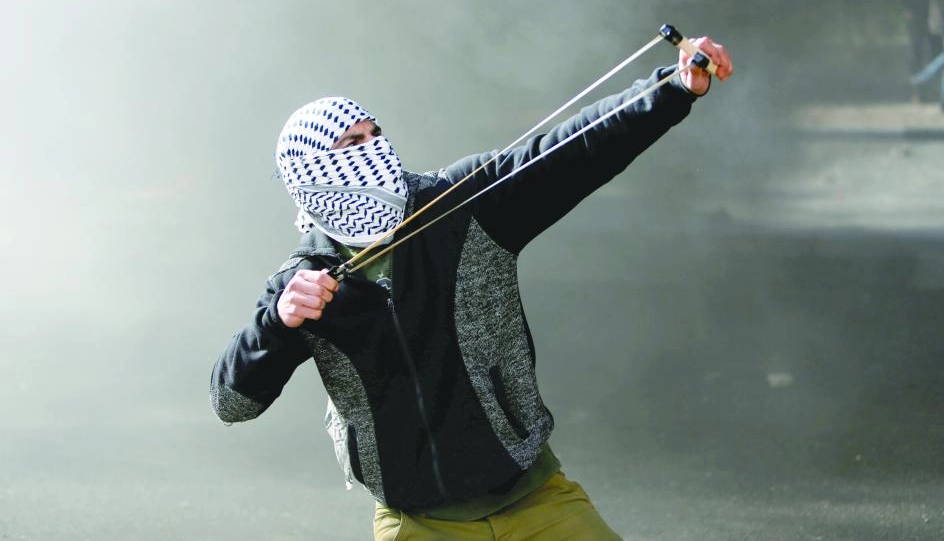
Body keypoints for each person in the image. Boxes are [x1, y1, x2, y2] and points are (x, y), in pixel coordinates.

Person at [210, 35, 733, 540]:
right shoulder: (301, 281)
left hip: (535, 498)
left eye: (375, 134)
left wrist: (672, 89)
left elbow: (574, 149)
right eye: (352, 143)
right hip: (416, 523)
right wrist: (276, 325)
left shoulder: (462, 204)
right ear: (313, 172)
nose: (375, 149)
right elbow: (231, 403)